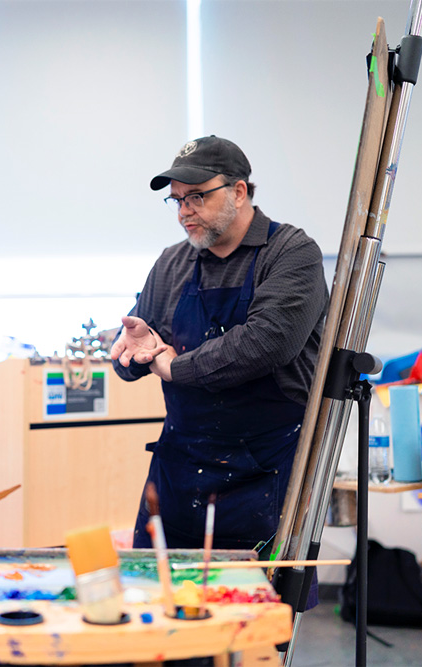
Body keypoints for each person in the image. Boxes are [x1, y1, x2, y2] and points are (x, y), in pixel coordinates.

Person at [111, 136, 328, 600]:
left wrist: (175, 368)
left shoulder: (290, 253)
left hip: (264, 475)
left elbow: (266, 342)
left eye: (197, 196)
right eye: (176, 200)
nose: (184, 211)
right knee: (155, 606)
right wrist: (132, 352)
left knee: (253, 622)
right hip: (180, 469)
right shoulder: (172, 264)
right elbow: (138, 348)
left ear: (239, 191)